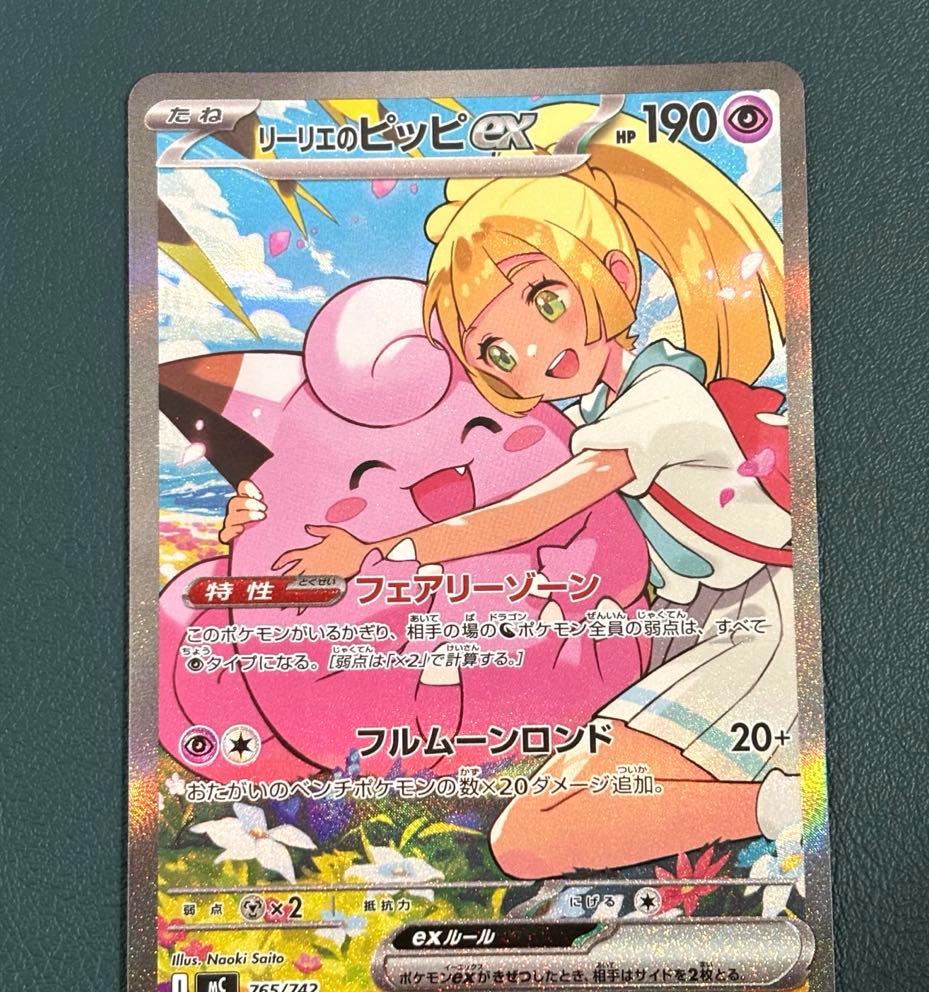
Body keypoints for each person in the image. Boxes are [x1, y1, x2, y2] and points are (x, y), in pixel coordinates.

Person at [223, 103, 803, 877]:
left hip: (755, 629)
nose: (533, 350)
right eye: (497, 350)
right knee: (543, 818)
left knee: (530, 836)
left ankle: (788, 805)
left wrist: (376, 549)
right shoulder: (588, 412)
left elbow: (539, 509)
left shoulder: (662, 398)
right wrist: (260, 515)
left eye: (546, 300)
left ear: (615, 277)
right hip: (679, 628)